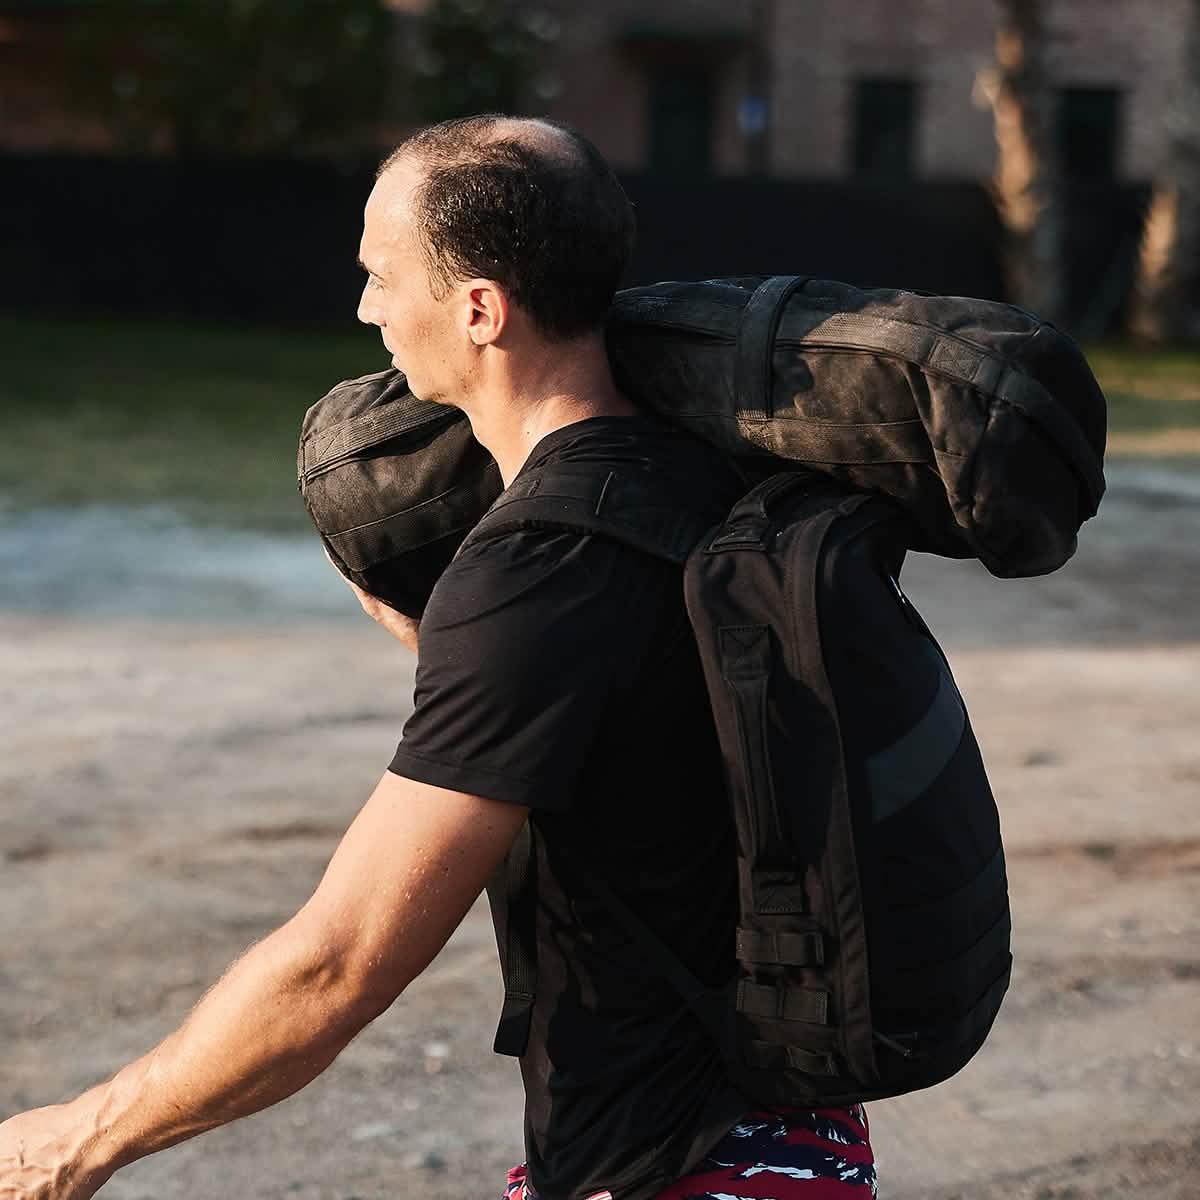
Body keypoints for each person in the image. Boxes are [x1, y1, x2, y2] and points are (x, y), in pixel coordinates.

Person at [0, 115, 876, 1200]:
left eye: (381, 274)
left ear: (478, 309)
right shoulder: (695, 475)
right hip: (795, 1138)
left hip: (676, 1165)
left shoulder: (541, 565)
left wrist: (80, 1138)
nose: (367, 308)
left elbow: (342, 960)